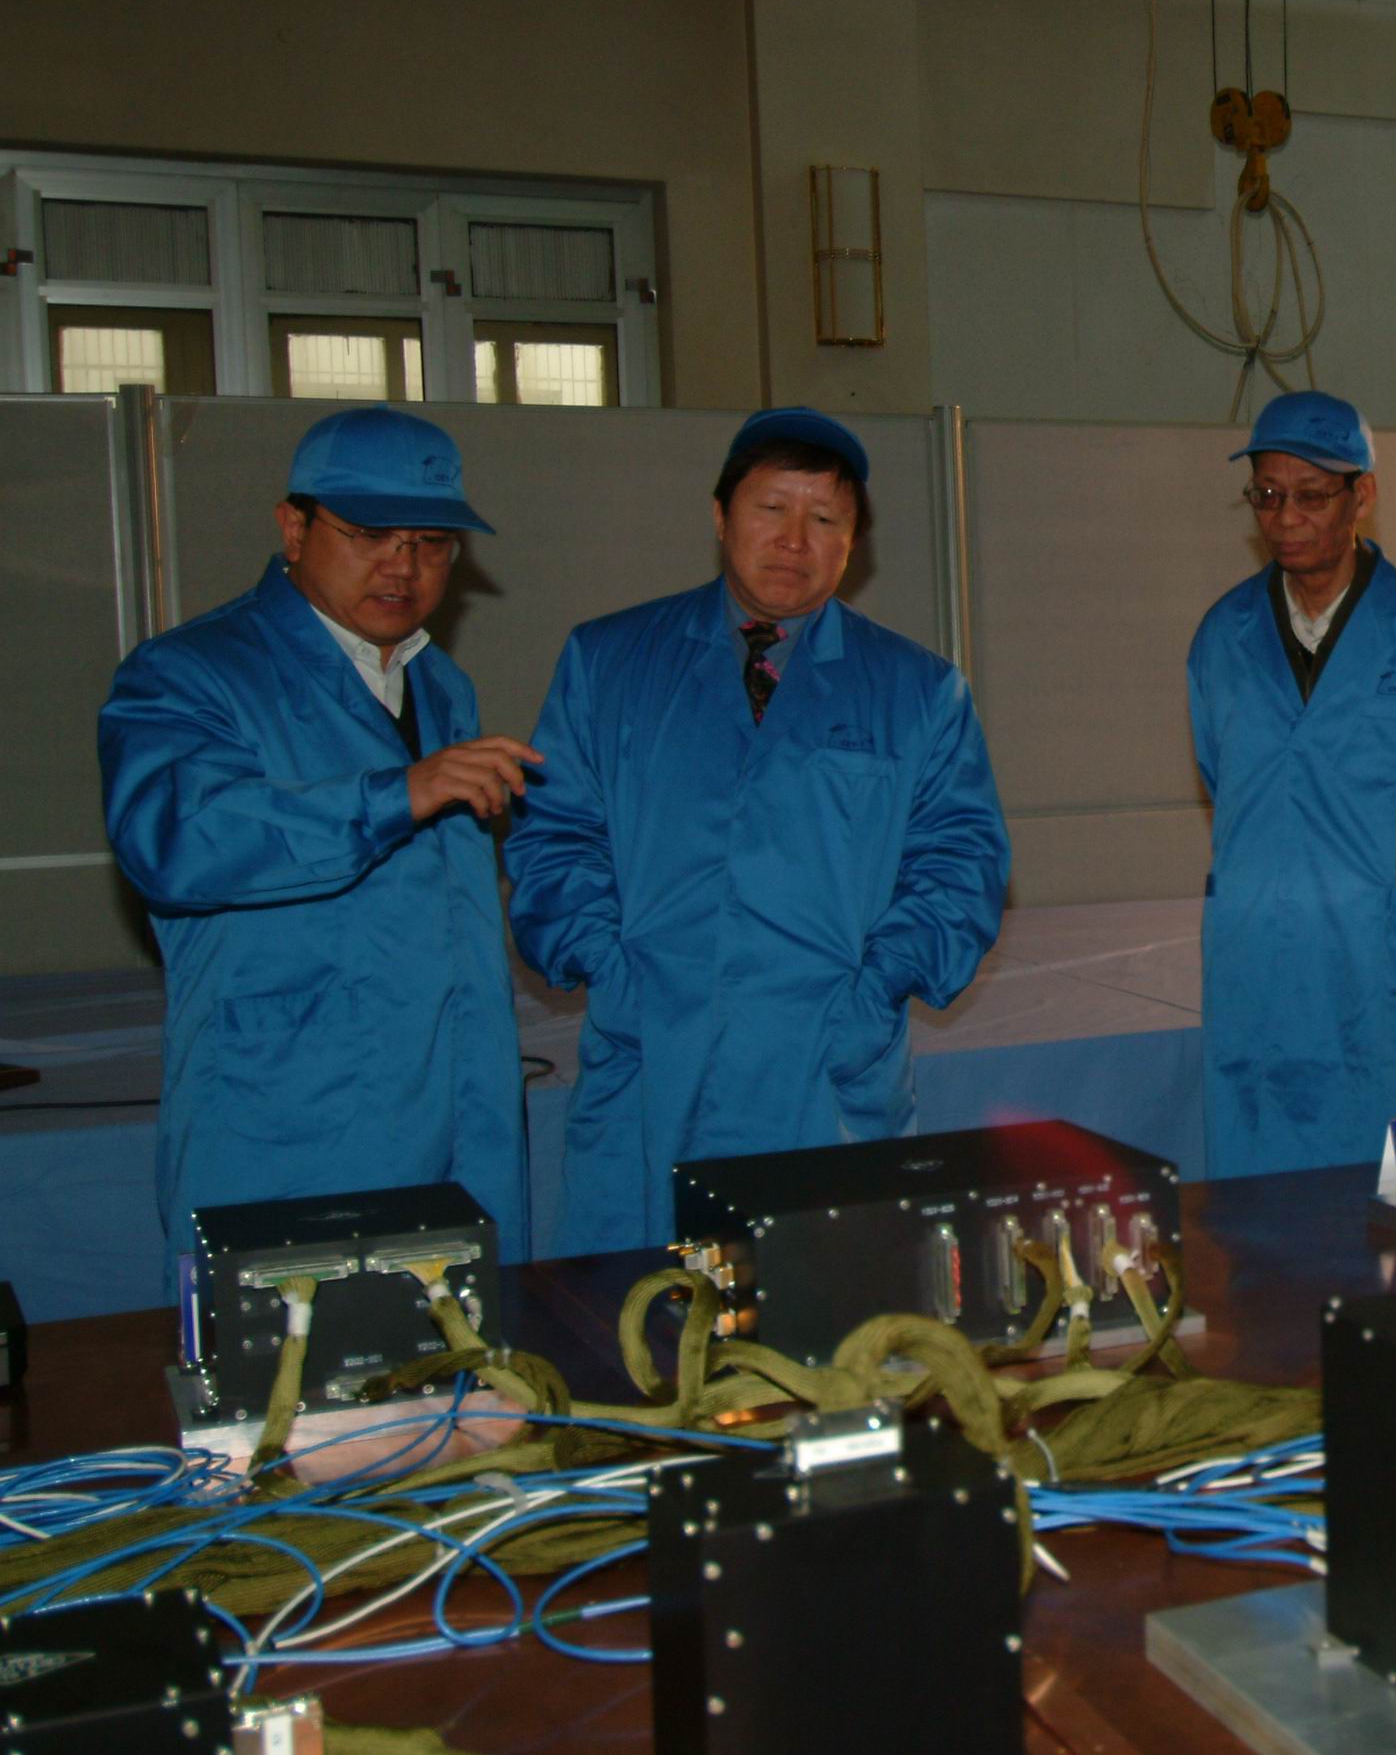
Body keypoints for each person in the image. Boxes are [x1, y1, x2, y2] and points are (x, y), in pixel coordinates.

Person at [506, 407, 1010, 1251]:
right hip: (652, 1058)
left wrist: (873, 994)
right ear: (720, 516)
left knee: (831, 1305)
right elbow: (554, 835)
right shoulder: (610, 662)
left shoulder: (918, 691)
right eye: (771, 508)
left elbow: (961, 864)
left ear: (855, 543)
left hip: (823, 1069)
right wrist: (612, 971)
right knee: (636, 1310)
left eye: (826, 518)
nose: (794, 540)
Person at [99, 408, 536, 1256]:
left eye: (432, 542)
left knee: (466, 1337)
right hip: (290, 1124)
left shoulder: (440, 685)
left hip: (456, 1107)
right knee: (299, 1340)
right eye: (370, 534)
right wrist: (395, 794)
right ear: (293, 529)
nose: (403, 565)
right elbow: (175, 843)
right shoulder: (189, 673)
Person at [1186, 391, 1396, 1172]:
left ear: (1362, 495)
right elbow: (1222, 777)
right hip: (1264, 968)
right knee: (1266, 1216)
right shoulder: (1223, 639)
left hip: (1395, 977)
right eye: (1267, 495)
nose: (1285, 517)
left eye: (1310, 495)